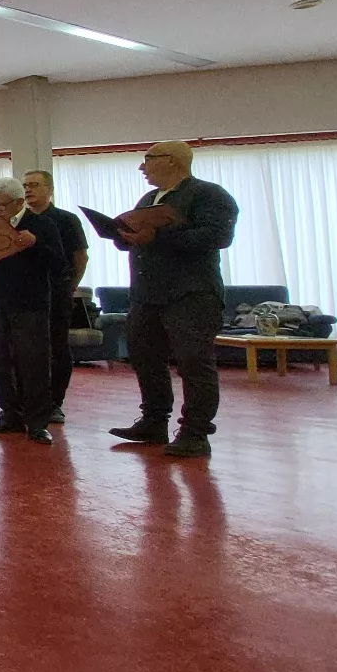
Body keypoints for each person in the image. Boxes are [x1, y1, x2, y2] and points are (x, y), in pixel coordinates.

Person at [108, 141, 239, 458]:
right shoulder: (149, 199)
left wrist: (158, 236)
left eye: (148, 160)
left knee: (194, 363)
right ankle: (154, 422)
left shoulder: (209, 194)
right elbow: (141, 242)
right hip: (147, 295)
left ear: (173, 161)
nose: (143, 167)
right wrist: (122, 235)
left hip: (191, 294)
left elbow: (217, 236)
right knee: (145, 358)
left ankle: (195, 433)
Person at [0, 178, 63, 445]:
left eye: (2, 206)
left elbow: (58, 264)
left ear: (19, 202)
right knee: (0, 359)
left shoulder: (42, 224)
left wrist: (35, 245)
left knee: (33, 362)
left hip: (30, 303)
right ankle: (9, 413)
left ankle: (37, 422)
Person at [22, 169, 89, 424]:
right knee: (24, 350)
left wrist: (69, 287)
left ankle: (54, 403)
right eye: (25, 185)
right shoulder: (18, 220)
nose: (28, 190)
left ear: (49, 189)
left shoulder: (66, 220)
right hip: (24, 295)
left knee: (57, 348)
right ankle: (24, 402)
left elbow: (80, 257)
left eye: (35, 185)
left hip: (56, 292)